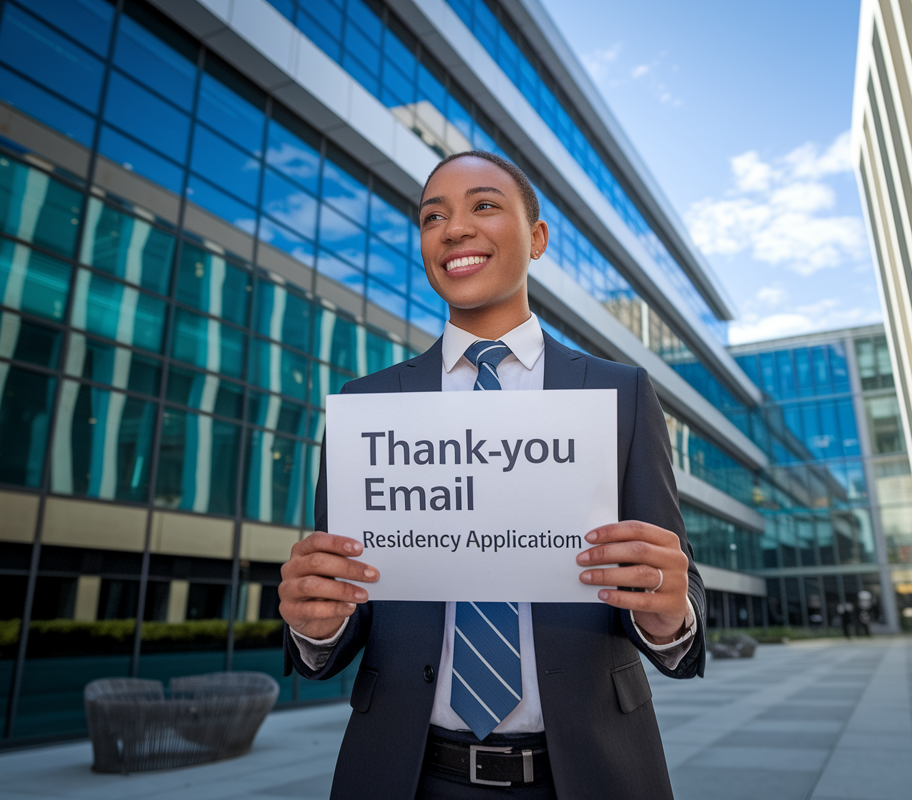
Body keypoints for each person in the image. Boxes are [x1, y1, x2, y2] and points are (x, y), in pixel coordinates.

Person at [278, 151, 705, 799]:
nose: (453, 229)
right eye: (432, 217)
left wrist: (670, 615)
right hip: (407, 775)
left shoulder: (621, 393)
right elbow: (340, 621)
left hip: (590, 773)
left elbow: (675, 592)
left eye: (483, 206)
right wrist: (317, 623)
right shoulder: (367, 409)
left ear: (535, 239)